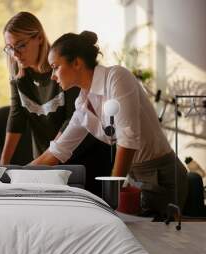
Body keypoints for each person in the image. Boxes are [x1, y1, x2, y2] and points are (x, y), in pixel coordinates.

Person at [31, 31, 188, 216]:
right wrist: (13, 175)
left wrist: (111, 198)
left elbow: (127, 140)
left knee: (157, 242)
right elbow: (57, 151)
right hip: (134, 177)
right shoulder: (82, 104)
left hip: (161, 176)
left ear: (77, 63)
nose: (53, 76)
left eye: (55, 67)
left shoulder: (116, 77)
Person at [1, 12, 112, 196]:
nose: (15, 54)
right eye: (10, 48)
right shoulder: (19, 78)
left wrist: (51, 156)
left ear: (38, 38)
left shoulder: (62, 68)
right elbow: (16, 119)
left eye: (20, 45)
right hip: (46, 156)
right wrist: (2, 165)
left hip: (78, 156)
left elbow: (72, 118)